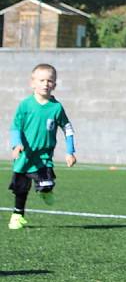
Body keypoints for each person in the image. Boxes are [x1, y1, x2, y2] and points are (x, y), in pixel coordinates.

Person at [8, 63, 76, 230]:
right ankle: (17, 216)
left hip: (43, 157)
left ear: (55, 84)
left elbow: (67, 128)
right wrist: (17, 144)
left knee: (46, 184)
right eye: (42, 80)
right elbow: (15, 127)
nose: (46, 84)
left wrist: (70, 151)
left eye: (50, 80)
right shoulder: (25, 105)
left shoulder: (56, 107)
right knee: (20, 189)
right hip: (24, 155)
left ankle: (46, 191)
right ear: (32, 83)